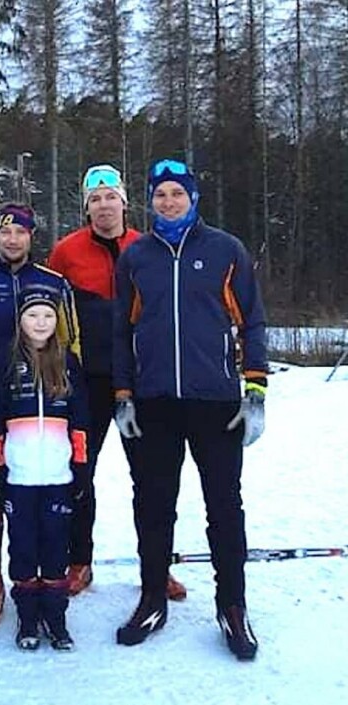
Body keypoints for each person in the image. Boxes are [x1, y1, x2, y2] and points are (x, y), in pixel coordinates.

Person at [113, 159, 267, 661]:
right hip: (154, 402)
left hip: (215, 401)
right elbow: (121, 330)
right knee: (153, 505)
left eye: (177, 194)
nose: (169, 202)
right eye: (160, 195)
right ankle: (152, 597)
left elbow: (252, 323)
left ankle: (233, 605)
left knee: (224, 505)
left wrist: (256, 390)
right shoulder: (136, 256)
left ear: (193, 198)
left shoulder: (225, 250)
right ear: (150, 201)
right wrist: (123, 396)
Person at [48, 165, 187, 601]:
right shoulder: (66, 252)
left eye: (111, 197)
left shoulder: (149, 247)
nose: (104, 205)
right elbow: (49, 314)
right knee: (78, 473)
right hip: (87, 382)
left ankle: (157, 565)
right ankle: (78, 560)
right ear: (86, 206)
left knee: (152, 476)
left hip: (142, 383)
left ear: (125, 202)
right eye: (96, 199)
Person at [0, 203, 81, 628]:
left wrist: (72, 397)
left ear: (32, 237)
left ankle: (57, 575)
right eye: (5, 232)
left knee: (57, 490)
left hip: (46, 409)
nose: (13, 240)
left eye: (21, 232)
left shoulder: (52, 282)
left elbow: (72, 345)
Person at [0, 284, 90, 651]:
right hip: (20, 475)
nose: (41, 322)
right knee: (23, 547)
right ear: (20, 319)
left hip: (58, 475)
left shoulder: (68, 359)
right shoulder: (3, 358)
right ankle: (28, 616)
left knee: (55, 545)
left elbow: (81, 420)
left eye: (48, 315)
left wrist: (80, 468)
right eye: (33, 315)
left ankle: (56, 617)